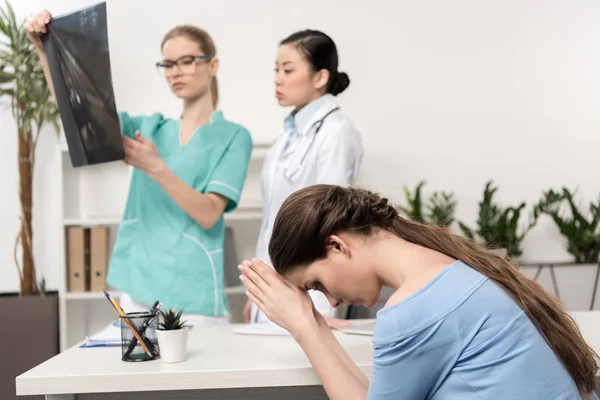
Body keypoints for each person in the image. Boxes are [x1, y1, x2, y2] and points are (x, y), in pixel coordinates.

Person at [239, 184, 599, 399]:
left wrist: (304, 328)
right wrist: (313, 325)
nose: (330, 301)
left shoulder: (414, 308)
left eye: (317, 284)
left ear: (336, 246)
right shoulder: (446, 270)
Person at [26, 12, 253, 324]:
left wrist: (156, 167)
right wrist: (44, 49)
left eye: (187, 61)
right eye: (168, 64)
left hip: (192, 289)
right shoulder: (149, 128)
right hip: (138, 283)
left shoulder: (234, 137)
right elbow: (80, 114)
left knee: (195, 372)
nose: (176, 72)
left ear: (212, 65)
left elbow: (209, 213)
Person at [245, 30, 364, 329]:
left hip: (312, 294)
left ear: (320, 77)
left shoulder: (336, 133)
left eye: (288, 70)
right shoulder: (286, 135)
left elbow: (327, 224)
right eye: (276, 70)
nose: (278, 79)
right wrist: (258, 290)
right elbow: (272, 221)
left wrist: (316, 308)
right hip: (272, 289)